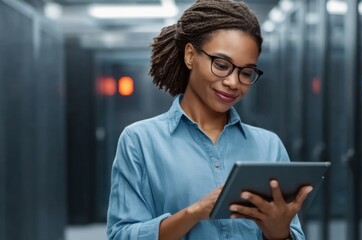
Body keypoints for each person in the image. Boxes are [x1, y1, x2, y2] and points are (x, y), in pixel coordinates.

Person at [107, 0, 313, 239]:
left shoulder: (268, 146)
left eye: (246, 72)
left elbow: (292, 233)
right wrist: (195, 212)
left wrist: (279, 231)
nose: (233, 82)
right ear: (191, 56)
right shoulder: (140, 140)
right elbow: (121, 235)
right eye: (222, 65)